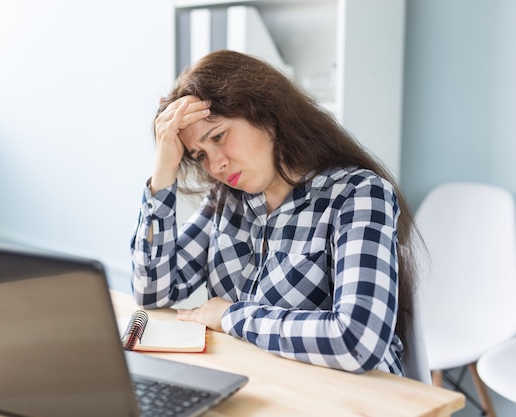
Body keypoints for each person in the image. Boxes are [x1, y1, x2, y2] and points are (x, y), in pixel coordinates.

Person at [130, 49, 421, 376]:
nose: (215, 165)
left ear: (265, 113)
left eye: (219, 136)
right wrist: (163, 172)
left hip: (354, 396)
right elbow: (153, 291)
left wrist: (231, 316)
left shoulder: (358, 194)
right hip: (263, 383)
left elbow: (356, 340)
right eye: (199, 155)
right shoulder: (226, 200)